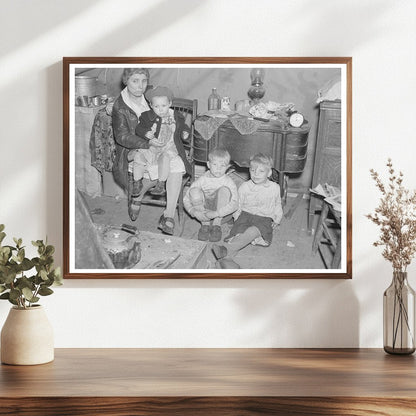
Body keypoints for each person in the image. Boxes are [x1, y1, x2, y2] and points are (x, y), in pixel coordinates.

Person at [111, 69, 191, 234]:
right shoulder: (120, 106)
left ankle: (168, 216)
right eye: (135, 81)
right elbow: (122, 136)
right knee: (164, 164)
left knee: (174, 165)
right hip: (133, 149)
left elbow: (169, 111)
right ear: (126, 81)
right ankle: (138, 195)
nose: (140, 86)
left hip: (161, 147)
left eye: (144, 81)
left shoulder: (151, 96)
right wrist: (148, 143)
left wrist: (179, 131)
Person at [212, 153, 283, 268]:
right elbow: (238, 205)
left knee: (252, 231)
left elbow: (277, 204)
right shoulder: (245, 186)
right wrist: (237, 218)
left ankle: (225, 250)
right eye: (253, 170)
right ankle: (226, 260)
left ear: (269, 173)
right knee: (238, 235)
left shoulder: (274, 188)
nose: (256, 174)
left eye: (261, 171)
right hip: (245, 215)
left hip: (263, 218)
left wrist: (277, 219)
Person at [133, 86, 190, 197]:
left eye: (163, 106)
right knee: (139, 156)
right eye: (156, 106)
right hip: (153, 147)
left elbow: (184, 127)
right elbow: (139, 128)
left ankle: (160, 183)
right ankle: (137, 181)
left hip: (169, 147)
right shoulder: (146, 116)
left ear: (170, 103)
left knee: (165, 158)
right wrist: (146, 133)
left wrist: (185, 134)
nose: (160, 109)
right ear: (151, 105)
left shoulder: (176, 116)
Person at [183, 148, 239, 242]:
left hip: (222, 214)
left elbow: (235, 204)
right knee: (194, 191)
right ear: (208, 164)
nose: (218, 168)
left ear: (228, 167)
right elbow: (186, 198)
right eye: (215, 164)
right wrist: (193, 211)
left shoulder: (228, 181)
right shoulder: (203, 179)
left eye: (223, 165)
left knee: (224, 190)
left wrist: (218, 214)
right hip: (203, 213)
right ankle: (204, 225)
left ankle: (216, 226)